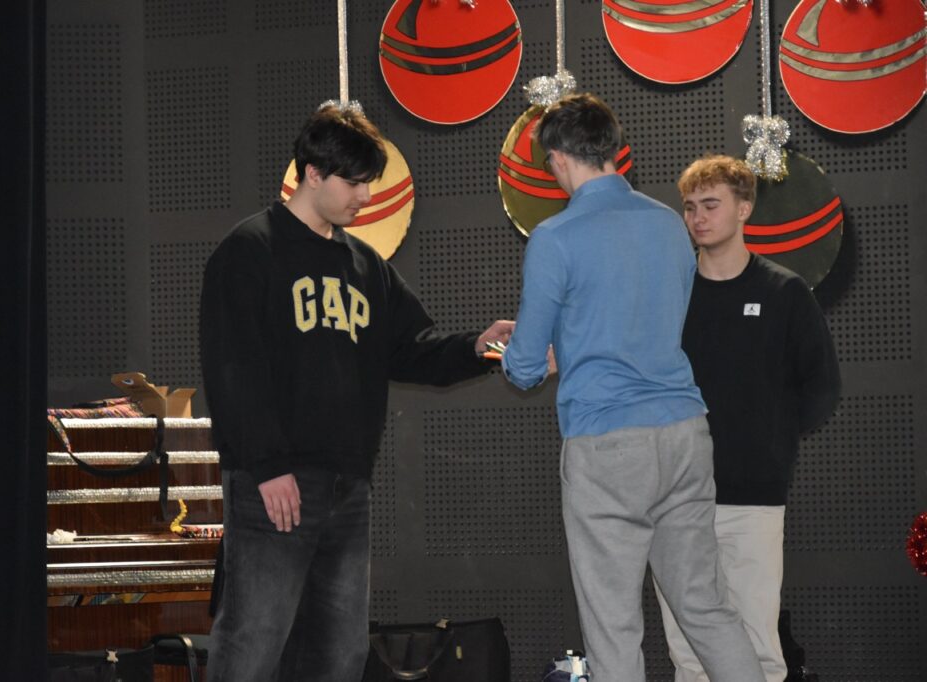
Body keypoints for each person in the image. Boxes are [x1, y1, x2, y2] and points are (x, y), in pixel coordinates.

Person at [198, 103, 514, 682]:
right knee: (252, 644)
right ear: (312, 173)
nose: (365, 197)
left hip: (348, 486)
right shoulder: (249, 250)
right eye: (354, 182)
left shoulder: (365, 265)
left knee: (340, 654)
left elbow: (413, 348)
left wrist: (478, 347)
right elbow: (233, 369)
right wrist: (268, 467)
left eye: (369, 182)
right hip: (276, 483)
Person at [500, 93, 764, 681]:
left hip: (606, 442)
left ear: (558, 158)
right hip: (684, 431)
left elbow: (525, 365)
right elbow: (656, 318)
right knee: (706, 607)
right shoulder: (669, 223)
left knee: (613, 624)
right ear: (612, 149)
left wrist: (528, 359)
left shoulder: (555, 237)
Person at [654, 155, 840, 682]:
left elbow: (822, 386)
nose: (698, 217)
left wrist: (769, 441)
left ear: (744, 208)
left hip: (754, 498)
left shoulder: (783, 292)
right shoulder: (669, 295)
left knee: (759, 646)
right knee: (688, 655)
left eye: (710, 205)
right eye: (690, 207)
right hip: (676, 497)